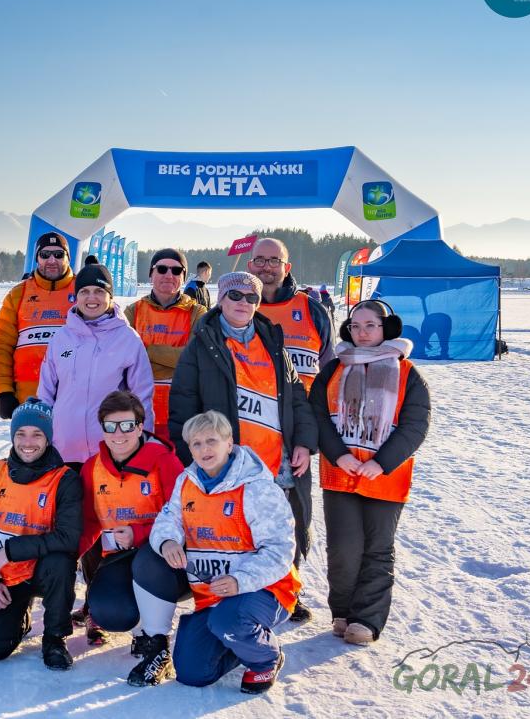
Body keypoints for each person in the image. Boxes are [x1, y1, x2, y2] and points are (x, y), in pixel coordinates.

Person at [167, 270, 318, 623]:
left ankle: (285, 592)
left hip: (275, 459)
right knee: (235, 530)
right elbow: (182, 407)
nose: (243, 303)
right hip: (227, 465)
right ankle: (232, 593)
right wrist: (197, 461)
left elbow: (296, 397)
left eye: (252, 298)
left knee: (281, 528)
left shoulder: (272, 342)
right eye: (235, 295)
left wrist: (304, 442)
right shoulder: (202, 344)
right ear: (221, 299)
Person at [129, 411, 299, 692]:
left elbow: (280, 550)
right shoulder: (187, 482)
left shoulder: (256, 487)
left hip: (264, 590)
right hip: (212, 595)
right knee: (192, 673)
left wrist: (239, 581)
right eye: (196, 443)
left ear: (229, 443)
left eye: (212, 441)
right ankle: (239, 642)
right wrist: (168, 541)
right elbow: (168, 519)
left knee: (229, 621)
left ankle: (265, 658)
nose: (204, 449)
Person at [310, 300, 431, 645]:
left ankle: (367, 619)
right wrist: (338, 454)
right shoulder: (333, 370)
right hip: (341, 474)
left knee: (377, 548)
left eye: (370, 326)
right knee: (343, 548)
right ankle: (343, 611)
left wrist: (381, 462)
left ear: (386, 328)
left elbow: (415, 425)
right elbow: (317, 415)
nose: (362, 333)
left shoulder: (407, 373)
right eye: (355, 326)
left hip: (385, 477)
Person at [0, 398, 83, 670]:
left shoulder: (65, 479)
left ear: (48, 438)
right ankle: (20, 617)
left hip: (43, 571)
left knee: (61, 561)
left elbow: (69, 538)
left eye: (37, 434)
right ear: (12, 436)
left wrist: (12, 550)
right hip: (4, 576)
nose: (28, 442)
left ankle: (55, 637)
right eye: (21, 434)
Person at [77, 390, 183, 649]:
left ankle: (153, 630)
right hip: (118, 556)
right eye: (110, 426)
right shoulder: (92, 467)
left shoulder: (164, 461)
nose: (119, 434)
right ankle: (104, 607)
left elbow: (185, 516)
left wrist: (139, 533)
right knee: (111, 614)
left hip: (161, 556)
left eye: (127, 425)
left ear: (140, 426)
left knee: (147, 562)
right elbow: (88, 523)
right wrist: (65, 557)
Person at [38, 255, 154, 466]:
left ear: (110, 296)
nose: (92, 298)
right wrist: (42, 433)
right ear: (76, 296)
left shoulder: (128, 339)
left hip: (111, 450)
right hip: (63, 448)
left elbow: (142, 398)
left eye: (99, 291)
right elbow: (45, 393)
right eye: (84, 291)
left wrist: (143, 442)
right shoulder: (61, 338)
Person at [0, 232, 76, 419]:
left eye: (58, 254)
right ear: (37, 258)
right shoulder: (18, 294)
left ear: (68, 258)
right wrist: (4, 392)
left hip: (75, 397)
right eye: (45, 255)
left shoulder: (84, 292)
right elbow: (1, 347)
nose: (52, 260)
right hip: (28, 398)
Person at [125, 248, 206, 440]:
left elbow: (193, 358)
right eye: (161, 269)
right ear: (151, 274)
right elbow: (123, 356)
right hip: (139, 412)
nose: (169, 275)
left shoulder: (197, 312)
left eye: (176, 271)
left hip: (182, 414)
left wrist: (146, 351)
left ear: (183, 277)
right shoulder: (133, 311)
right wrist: (172, 359)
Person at [247, 237, 334, 393]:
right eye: (259, 260)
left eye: (274, 261)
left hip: (304, 405)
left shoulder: (313, 310)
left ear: (287, 268)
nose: (266, 267)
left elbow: (330, 371)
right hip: (252, 406)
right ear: (250, 266)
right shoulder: (236, 309)